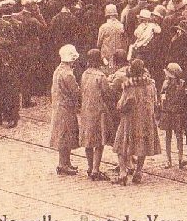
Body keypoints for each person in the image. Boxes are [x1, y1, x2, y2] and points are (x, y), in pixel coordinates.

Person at [113, 58, 160, 185]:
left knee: (121, 145)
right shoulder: (151, 85)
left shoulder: (129, 86)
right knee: (142, 146)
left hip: (129, 119)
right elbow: (155, 102)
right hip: (145, 119)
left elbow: (122, 104)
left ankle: (123, 172)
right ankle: (138, 172)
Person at [79, 51, 113, 181]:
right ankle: (95, 169)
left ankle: (89, 166)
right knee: (99, 140)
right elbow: (107, 93)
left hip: (86, 110)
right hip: (98, 110)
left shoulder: (84, 74)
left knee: (88, 139)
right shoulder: (101, 76)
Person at [50, 44, 81, 176]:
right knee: (65, 136)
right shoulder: (68, 74)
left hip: (59, 106)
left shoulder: (58, 70)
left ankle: (66, 162)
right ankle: (63, 164)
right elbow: (75, 91)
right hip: (66, 108)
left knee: (64, 135)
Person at [159, 62, 187, 169]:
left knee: (179, 136)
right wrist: (163, 90)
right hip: (167, 112)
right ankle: (168, 159)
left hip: (177, 113)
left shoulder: (181, 84)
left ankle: (180, 158)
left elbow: (182, 98)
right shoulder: (165, 84)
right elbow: (161, 98)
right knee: (168, 136)